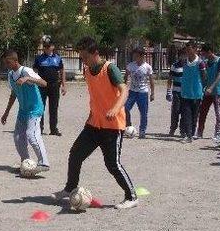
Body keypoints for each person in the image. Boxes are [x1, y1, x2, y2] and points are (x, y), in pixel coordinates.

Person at [51, 37, 137, 209]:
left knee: (112, 164)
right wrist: (92, 114)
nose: (83, 60)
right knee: (75, 154)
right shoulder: (87, 71)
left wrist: (115, 108)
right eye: (81, 57)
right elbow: (96, 96)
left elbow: (124, 90)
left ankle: (131, 196)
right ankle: (69, 189)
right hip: (94, 124)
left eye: (85, 57)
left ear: (95, 53)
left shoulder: (110, 68)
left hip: (112, 127)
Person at [0, 50, 50, 172]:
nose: (6, 65)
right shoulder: (11, 75)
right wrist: (6, 112)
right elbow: (13, 94)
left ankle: (44, 163)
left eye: (8, 62)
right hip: (23, 110)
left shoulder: (26, 71)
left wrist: (28, 78)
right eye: (5, 63)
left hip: (35, 109)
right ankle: (26, 162)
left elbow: (44, 83)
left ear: (15, 61)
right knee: (17, 137)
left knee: (31, 135)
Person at [33, 38, 66, 136]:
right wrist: (34, 82)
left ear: (53, 46)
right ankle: (39, 128)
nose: (47, 48)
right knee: (40, 107)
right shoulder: (39, 58)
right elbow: (34, 71)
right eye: (45, 46)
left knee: (54, 108)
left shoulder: (58, 58)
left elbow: (62, 71)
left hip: (54, 86)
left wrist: (64, 84)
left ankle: (53, 129)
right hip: (41, 86)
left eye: (48, 46)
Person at [124, 47, 155, 139]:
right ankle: (128, 126)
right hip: (132, 92)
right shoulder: (130, 66)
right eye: (134, 55)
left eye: (136, 56)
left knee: (143, 112)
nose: (134, 57)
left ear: (142, 56)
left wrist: (152, 93)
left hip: (143, 93)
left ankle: (142, 131)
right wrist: (123, 89)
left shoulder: (147, 67)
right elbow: (125, 77)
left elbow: (151, 81)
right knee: (125, 109)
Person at [197, 44, 220, 142]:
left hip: (217, 91)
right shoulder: (205, 62)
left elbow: (219, 76)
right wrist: (204, 87)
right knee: (202, 112)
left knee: (218, 114)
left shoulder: (219, 61)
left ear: (209, 51)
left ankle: (217, 133)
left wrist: (212, 87)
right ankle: (199, 132)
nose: (203, 54)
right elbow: (204, 77)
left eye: (204, 52)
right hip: (207, 91)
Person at [180, 41, 207, 143]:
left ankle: (191, 133)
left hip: (196, 94)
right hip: (185, 93)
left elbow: (204, 78)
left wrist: (203, 89)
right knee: (186, 114)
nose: (188, 51)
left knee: (194, 115)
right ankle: (188, 135)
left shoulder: (200, 63)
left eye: (190, 49)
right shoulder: (184, 61)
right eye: (186, 49)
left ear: (195, 49)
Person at [166, 48, 185, 137]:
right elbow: (170, 79)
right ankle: (173, 128)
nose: (183, 57)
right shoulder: (174, 66)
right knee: (175, 111)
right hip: (176, 92)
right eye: (181, 55)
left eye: (185, 55)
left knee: (185, 112)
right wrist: (169, 91)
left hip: (186, 93)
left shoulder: (189, 66)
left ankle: (183, 130)